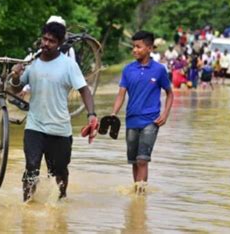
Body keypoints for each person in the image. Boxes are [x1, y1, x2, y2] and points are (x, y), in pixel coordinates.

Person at [10, 21, 98, 202]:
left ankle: (60, 203)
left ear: (59, 44)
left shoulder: (68, 65)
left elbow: (84, 90)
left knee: (58, 171)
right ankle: (27, 205)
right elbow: (16, 89)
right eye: (44, 39)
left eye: (51, 41)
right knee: (31, 166)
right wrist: (16, 77)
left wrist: (91, 114)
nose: (46, 44)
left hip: (59, 129)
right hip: (34, 126)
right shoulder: (31, 62)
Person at [109, 31, 174, 194]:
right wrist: (113, 114)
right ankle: (138, 193)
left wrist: (165, 114)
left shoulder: (159, 70)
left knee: (142, 159)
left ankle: (140, 198)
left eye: (138, 47)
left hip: (151, 121)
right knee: (134, 161)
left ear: (149, 48)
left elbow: (170, 93)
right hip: (131, 121)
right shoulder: (128, 70)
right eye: (133, 47)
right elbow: (121, 95)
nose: (135, 50)